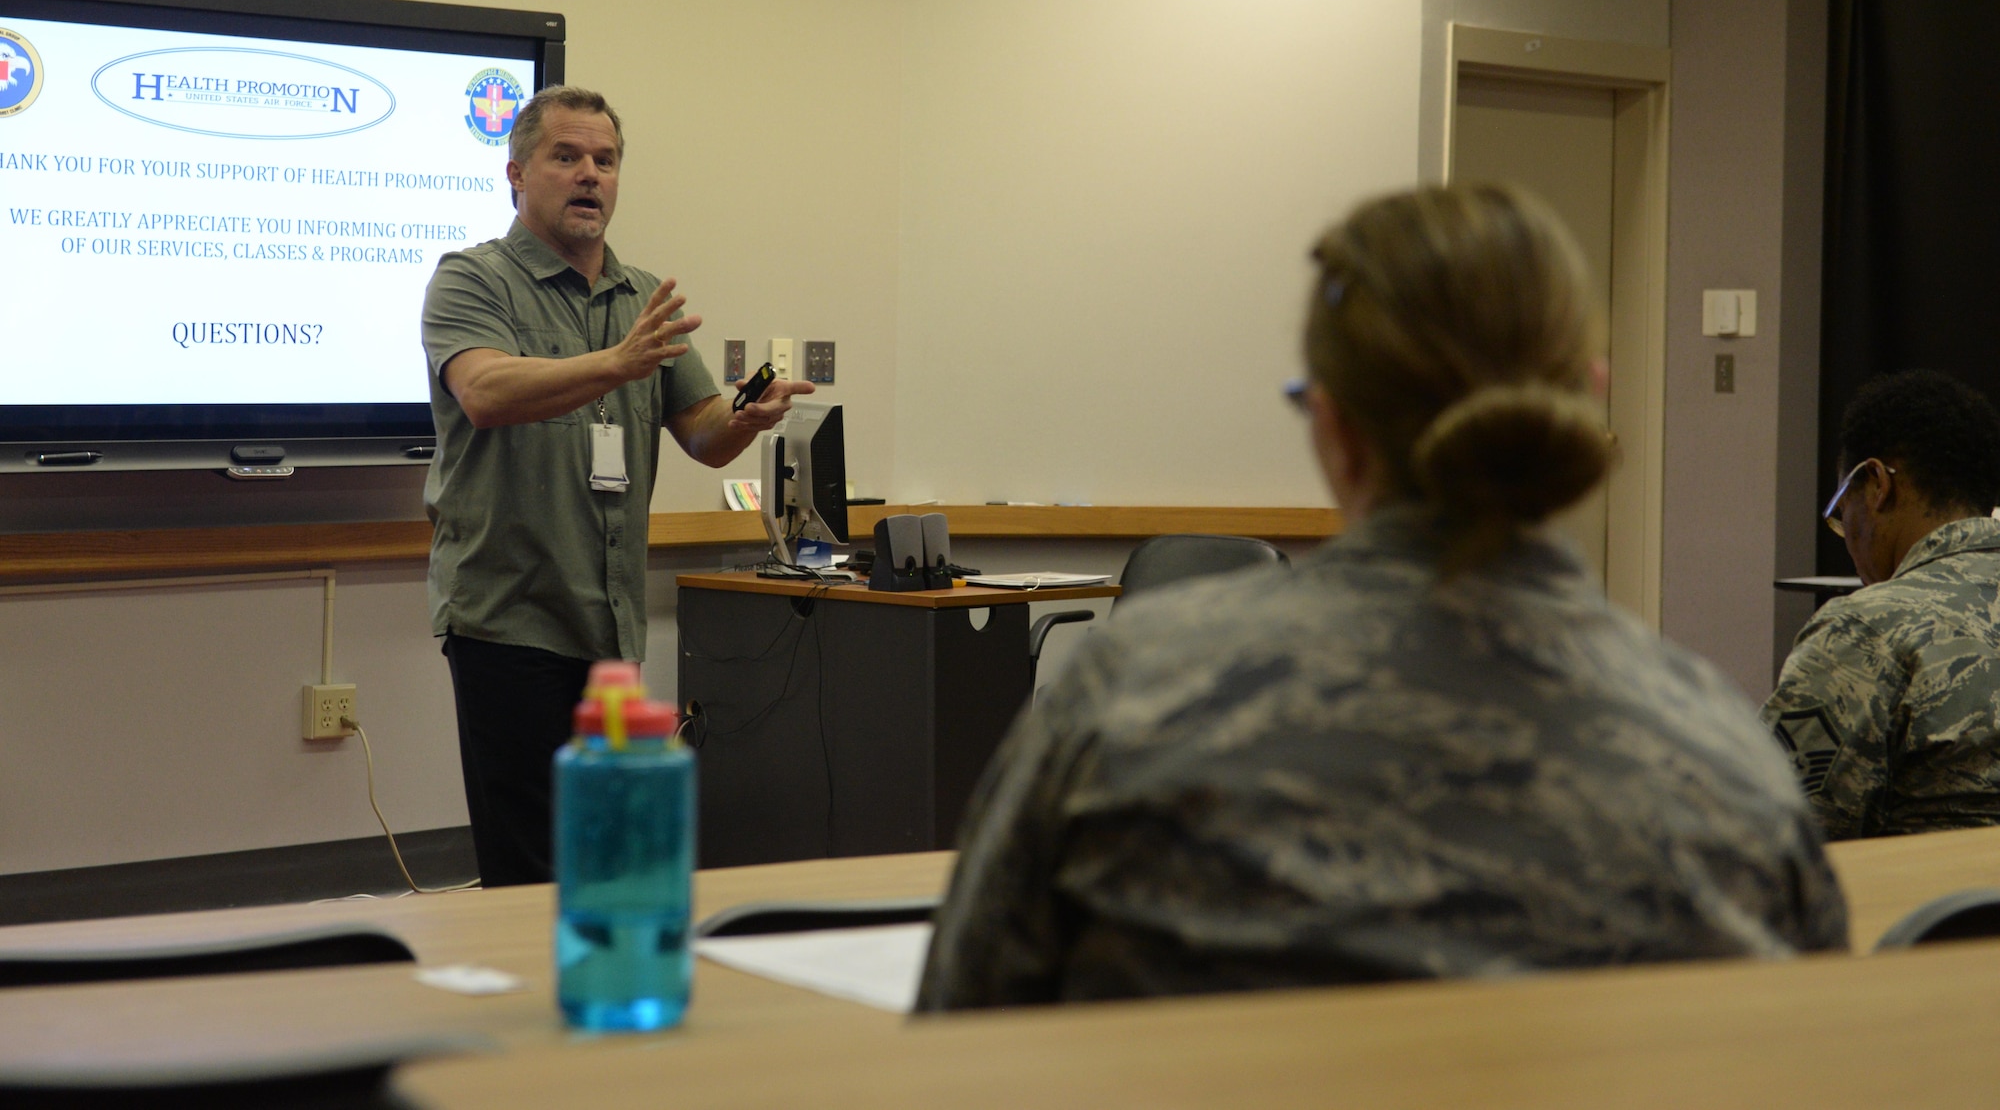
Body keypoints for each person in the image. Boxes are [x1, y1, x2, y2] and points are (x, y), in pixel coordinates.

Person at [916, 184, 1846, 1010]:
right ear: (1588, 396)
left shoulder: (1128, 700)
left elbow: (964, 1028)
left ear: (1333, 426)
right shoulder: (1730, 764)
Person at [422, 84, 812, 887]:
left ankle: (600, 1000)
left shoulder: (641, 299)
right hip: (509, 619)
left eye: (605, 159)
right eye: (565, 156)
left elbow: (701, 431)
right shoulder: (472, 280)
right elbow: (487, 393)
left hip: (609, 625)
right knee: (528, 864)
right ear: (516, 174)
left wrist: (749, 414)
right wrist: (616, 363)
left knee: (605, 856)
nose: (589, 174)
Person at [1762, 369, 2000, 840]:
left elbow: (1770, 836)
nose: (1847, 540)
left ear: (1876, 484)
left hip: (1916, 905)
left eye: (1841, 514)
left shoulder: (1863, 631)